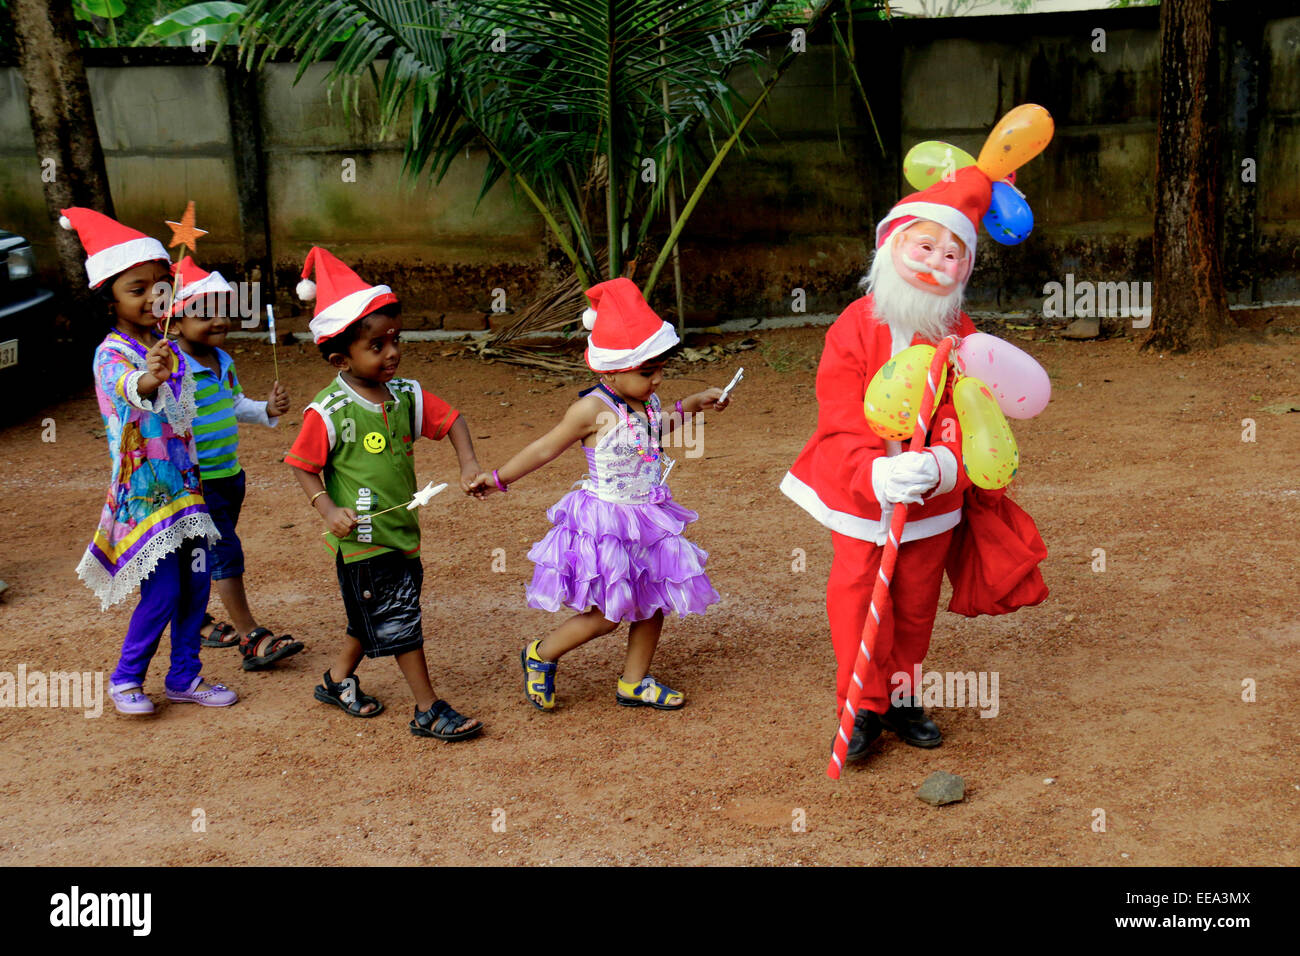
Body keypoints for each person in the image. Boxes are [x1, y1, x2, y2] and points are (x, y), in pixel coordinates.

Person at [781, 168, 994, 761]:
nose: (934, 263)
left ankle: (903, 696)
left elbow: (968, 411)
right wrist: (875, 471)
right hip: (861, 495)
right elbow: (840, 412)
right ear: (893, 243)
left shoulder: (960, 333)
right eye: (925, 246)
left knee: (917, 599)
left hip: (930, 501)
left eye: (951, 254)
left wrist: (942, 464)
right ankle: (863, 704)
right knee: (855, 597)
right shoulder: (854, 325)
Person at [471, 277, 726, 712]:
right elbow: (545, 448)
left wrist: (690, 406)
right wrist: (498, 478)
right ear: (610, 369)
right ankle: (541, 654)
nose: (657, 379)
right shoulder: (590, 409)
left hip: (647, 517)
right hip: (608, 522)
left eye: (660, 369)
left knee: (654, 600)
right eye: (648, 372)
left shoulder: (642, 401)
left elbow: (653, 428)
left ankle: (634, 682)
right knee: (608, 614)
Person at [284, 246, 484, 741]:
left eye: (395, 339)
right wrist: (326, 508)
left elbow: (452, 420)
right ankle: (428, 709)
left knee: (370, 615)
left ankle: (335, 682)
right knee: (398, 620)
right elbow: (302, 466)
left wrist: (469, 465)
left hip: (401, 534)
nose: (392, 352)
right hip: (364, 541)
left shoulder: (406, 395)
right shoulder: (328, 410)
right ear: (340, 357)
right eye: (377, 345)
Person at [63, 207, 238, 715]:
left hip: (187, 492)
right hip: (145, 497)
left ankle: (185, 675)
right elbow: (130, 391)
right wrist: (151, 378)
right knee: (161, 593)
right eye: (135, 289)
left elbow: (185, 418)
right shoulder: (110, 353)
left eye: (160, 288)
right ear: (110, 297)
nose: (150, 299)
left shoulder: (173, 350)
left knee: (198, 584)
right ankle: (126, 679)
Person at [171, 255, 302, 670]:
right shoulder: (172, 367)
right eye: (202, 314)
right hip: (196, 483)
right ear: (174, 324)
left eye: (221, 312)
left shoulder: (222, 362)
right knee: (225, 551)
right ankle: (251, 636)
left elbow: (234, 404)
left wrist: (265, 407)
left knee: (199, 554)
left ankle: (195, 620)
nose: (217, 321)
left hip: (229, 475)